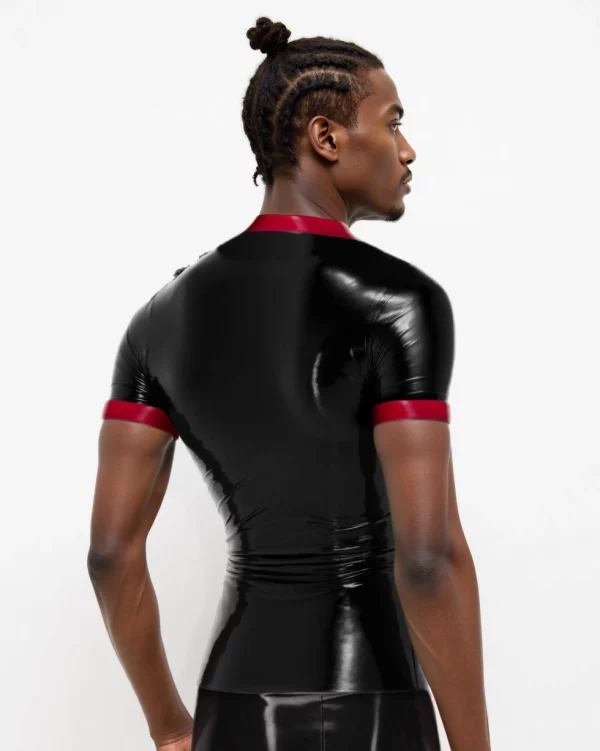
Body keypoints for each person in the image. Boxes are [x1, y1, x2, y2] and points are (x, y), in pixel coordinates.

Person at [88, 16, 491, 751]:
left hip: (232, 705)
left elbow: (111, 555)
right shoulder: (397, 302)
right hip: (369, 701)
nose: (407, 149)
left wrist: (171, 726)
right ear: (326, 137)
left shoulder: (159, 318)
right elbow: (429, 557)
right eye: (392, 122)